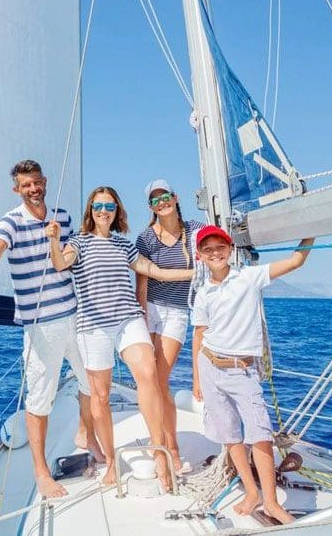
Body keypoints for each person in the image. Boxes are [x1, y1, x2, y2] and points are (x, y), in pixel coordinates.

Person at [0, 160, 103, 499]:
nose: (33, 189)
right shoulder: (10, 223)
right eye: (26, 185)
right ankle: (40, 471)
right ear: (17, 189)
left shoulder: (63, 217)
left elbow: (72, 256)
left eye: (37, 182)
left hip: (76, 315)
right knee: (40, 399)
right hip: (41, 326)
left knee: (92, 381)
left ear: (45, 182)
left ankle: (86, 434)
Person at [46, 186, 193, 489]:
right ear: (91, 210)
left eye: (110, 206)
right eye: (98, 206)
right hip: (94, 326)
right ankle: (112, 462)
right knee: (100, 396)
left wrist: (196, 272)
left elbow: (156, 271)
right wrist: (53, 240)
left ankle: (160, 453)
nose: (104, 211)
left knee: (149, 375)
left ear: (116, 211)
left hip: (128, 319)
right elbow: (60, 263)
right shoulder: (79, 243)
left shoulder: (123, 245)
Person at [190, 225, 314, 524]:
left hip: (242, 370)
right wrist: (196, 378)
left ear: (230, 249)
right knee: (231, 437)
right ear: (200, 256)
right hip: (210, 366)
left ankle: (271, 503)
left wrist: (310, 229)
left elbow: (296, 261)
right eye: (208, 249)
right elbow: (199, 334)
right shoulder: (203, 293)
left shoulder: (248, 277)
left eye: (221, 246)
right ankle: (251, 492)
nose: (215, 252)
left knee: (260, 437)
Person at [134, 179, 202, 473]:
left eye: (164, 197)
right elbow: (143, 281)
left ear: (175, 198)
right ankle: (160, 441)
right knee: (149, 380)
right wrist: (141, 317)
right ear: (150, 207)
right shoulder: (146, 238)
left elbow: (221, 247)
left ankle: (169, 446)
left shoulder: (195, 231)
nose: (160, 202)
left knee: (161, 379)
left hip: (177, 312)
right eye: (154, 200)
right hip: (150, 309)